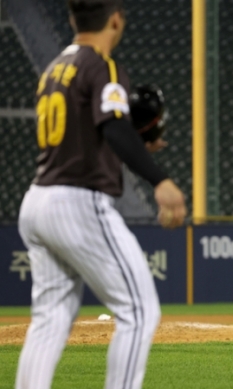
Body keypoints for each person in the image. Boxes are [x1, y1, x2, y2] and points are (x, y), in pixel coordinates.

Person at [16, 1, 187, 388]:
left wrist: (134, 147)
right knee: (140, 311)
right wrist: (159, 179)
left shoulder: (55, 68)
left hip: (38, 199)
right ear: (115, 18)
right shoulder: (103, 65)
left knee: (50, 318)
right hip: (76, 203)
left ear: (73, 19)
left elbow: (86, 137)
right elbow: (112, 125)